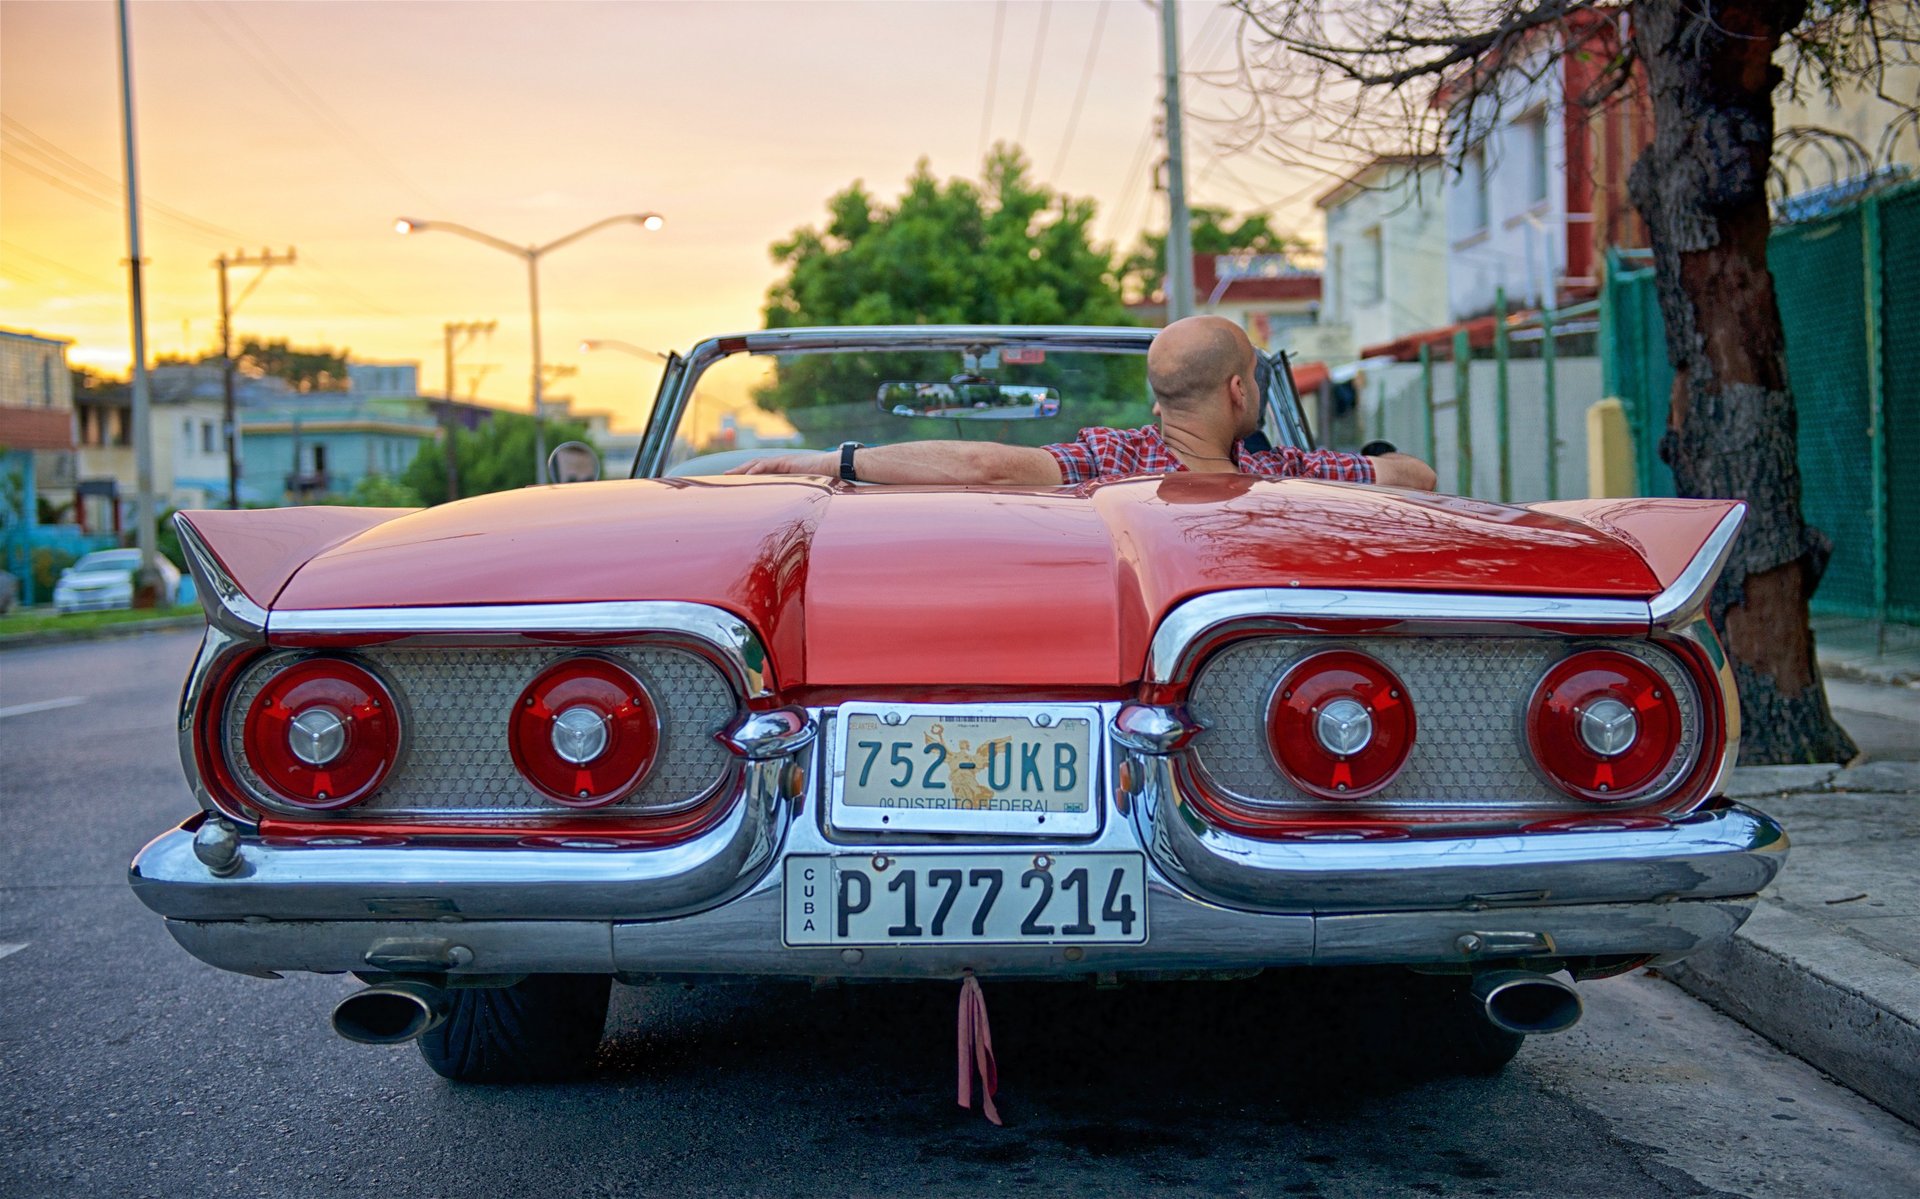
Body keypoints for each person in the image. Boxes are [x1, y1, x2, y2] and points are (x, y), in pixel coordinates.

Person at [726, 315, 1439, 490]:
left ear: (1158, 399)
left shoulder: (1112, 457)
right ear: (1238, 391)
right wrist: (1369, 462)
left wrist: (822, 460)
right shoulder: (1289, 477)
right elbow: (1414, 478)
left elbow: (982, 466)